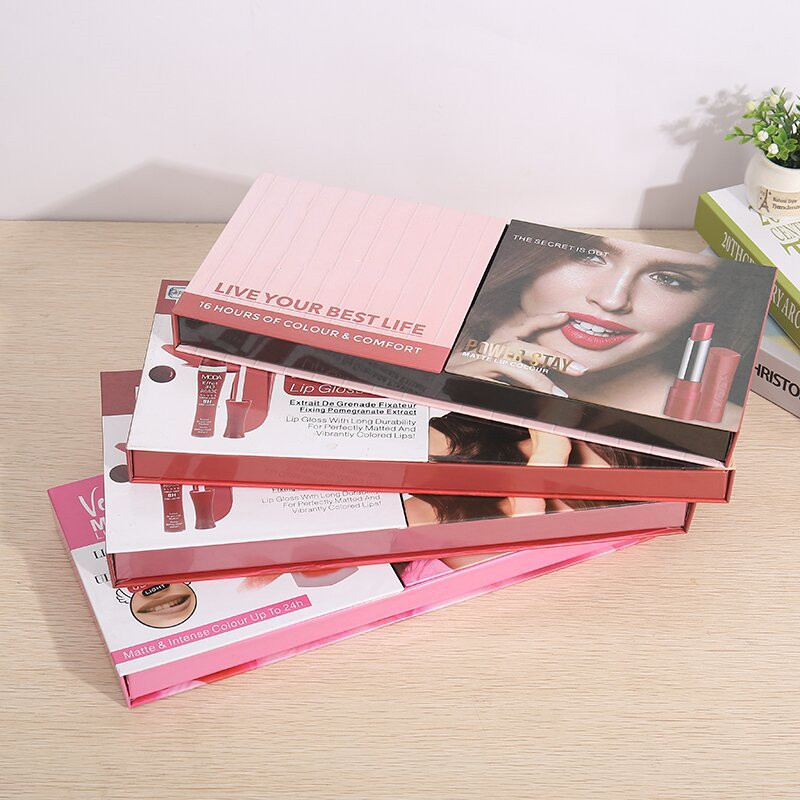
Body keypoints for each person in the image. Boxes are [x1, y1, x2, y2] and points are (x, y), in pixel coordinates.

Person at [448, 233, 760, 423]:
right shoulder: (450, 355)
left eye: (670, 279)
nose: (612, 300)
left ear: (711, 304)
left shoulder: (713, 426)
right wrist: (440, 391)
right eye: (587, 255)